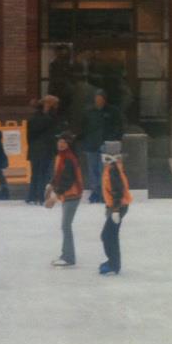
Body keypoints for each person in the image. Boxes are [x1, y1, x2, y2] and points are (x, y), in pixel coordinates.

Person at [79, 89, 123, 203]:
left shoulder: (113, 111)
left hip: (106, 146)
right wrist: (84, 141)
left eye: (101, 99)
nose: (99, 101)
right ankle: (95, 192)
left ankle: (104, 193)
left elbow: (119, 127)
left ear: (105, 99)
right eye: (97, 99)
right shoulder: (88, 112)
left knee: (104, 170)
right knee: (93, 170)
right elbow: (83, 128)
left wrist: (112, 140)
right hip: (91, 145)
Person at [50, 132, 83, 267]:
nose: (60, 143)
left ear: (68, 144)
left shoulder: (69, 158)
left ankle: (68, 257)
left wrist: (54, 195)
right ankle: (66, 254)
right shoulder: (61, 156)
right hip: (68, 195)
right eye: (59, 141)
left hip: (72, 195)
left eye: (63, 142)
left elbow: (67, 180)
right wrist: (51, 185)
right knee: (65, 226)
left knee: (66, 226)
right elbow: (58, 175)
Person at [99, 142, 132, 275]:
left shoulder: (113, 169)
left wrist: (115, 210)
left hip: (118, 206)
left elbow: (117, 190)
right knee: (110, 235)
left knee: (107, 235)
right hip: (115, 206)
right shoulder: (112, 167)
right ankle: (113, 263)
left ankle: (113, 264)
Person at [26, 96, 59, 205]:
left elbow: (29, 136)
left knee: (36, 173)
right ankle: (40, 196)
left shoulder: (35, 118)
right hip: (45, 149)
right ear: (48, 105)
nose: (55, 107)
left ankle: (32, 196)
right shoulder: (48, 118)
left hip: (36, 149)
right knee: (44, 174)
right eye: (53, 105)